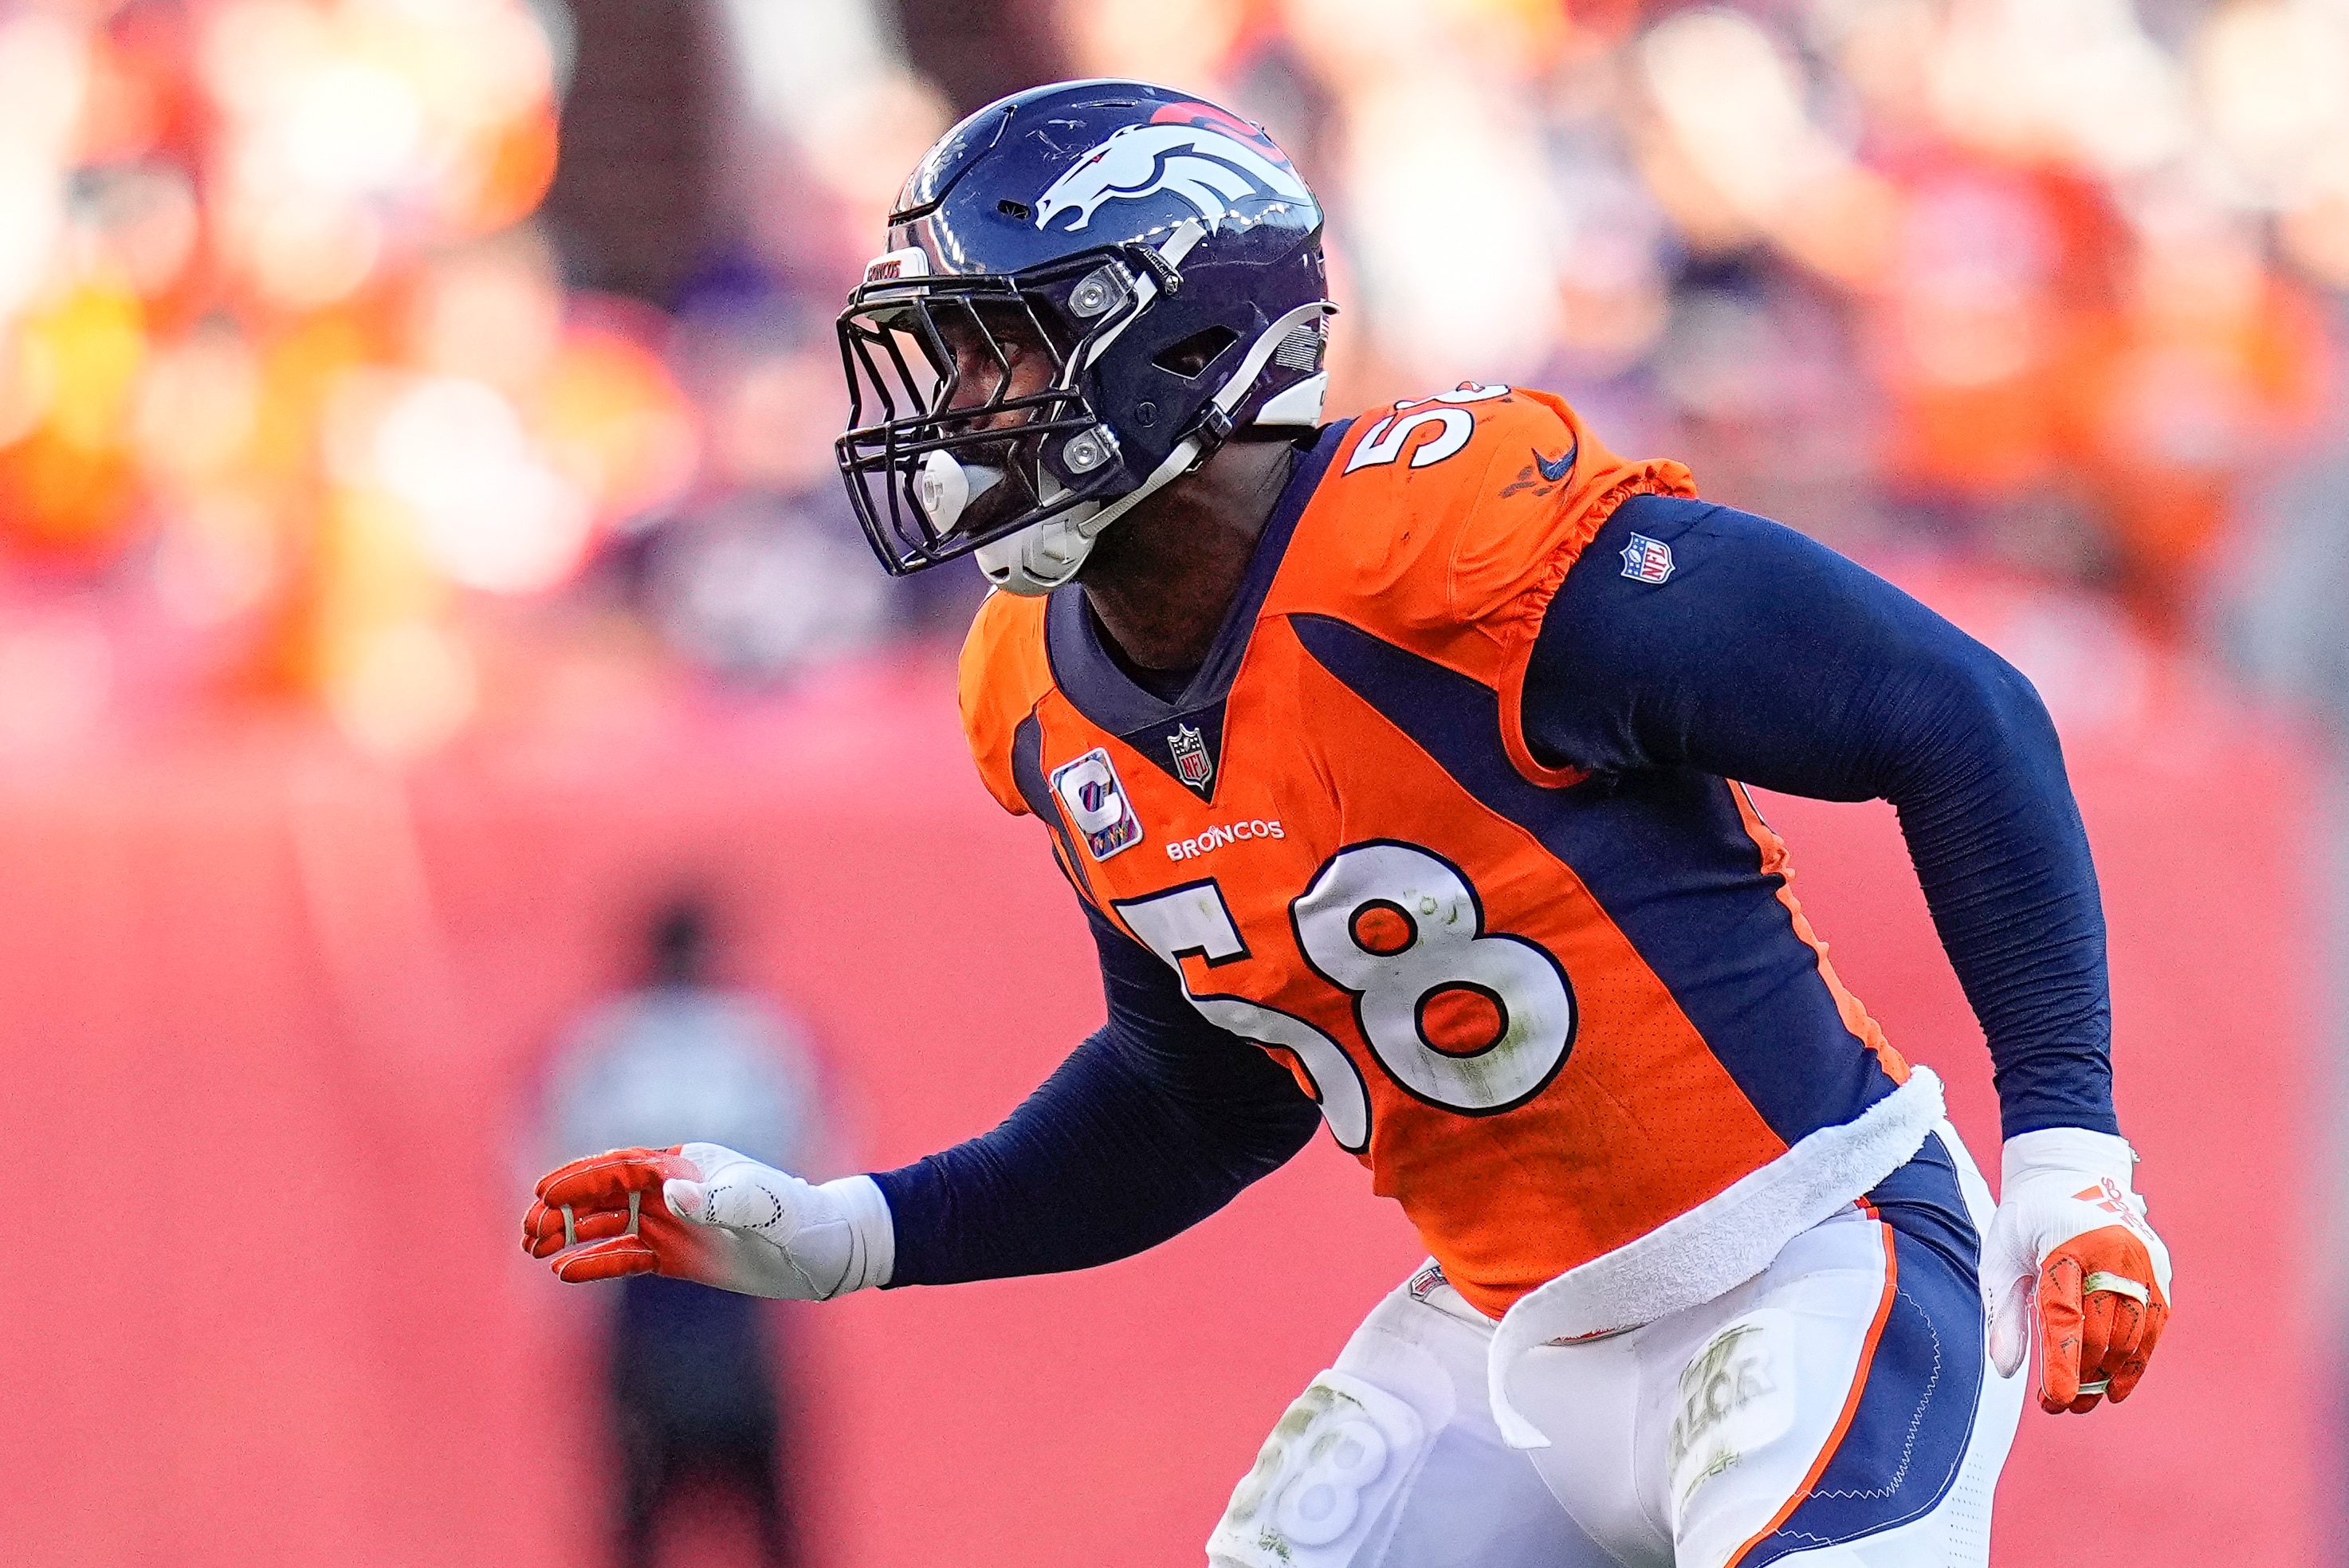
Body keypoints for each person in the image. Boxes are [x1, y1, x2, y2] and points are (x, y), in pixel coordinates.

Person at [524, 83, 2173, 1568]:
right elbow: (1194, 1090)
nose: (952, 404)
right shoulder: (1035, 686)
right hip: (1504, 1343)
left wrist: (2067, 1152)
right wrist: (851, 1233)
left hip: (1803, 1261)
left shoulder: (1442, 547)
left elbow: (1952, 713)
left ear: (1177, 345)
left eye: (994, 344)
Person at [540, 899, 820, 1568]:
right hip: (737, 1309)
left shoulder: (602, 1047)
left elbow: (548, 1179)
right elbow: (814, 1170)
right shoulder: (759, 1041)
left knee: (640, 1521)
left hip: (643, 1314)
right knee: (772, 1520)